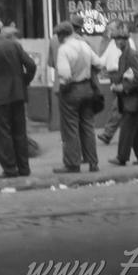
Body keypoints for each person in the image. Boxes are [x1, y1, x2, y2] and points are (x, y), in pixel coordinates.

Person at [0, 17, 37, 180]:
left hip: (0, 97)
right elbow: (31, 66)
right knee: (20, 131)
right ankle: (24, 167)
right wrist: (24, 81)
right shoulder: (14, 44)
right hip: (18, 95)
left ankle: (10, 168)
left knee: (3, 133)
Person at [52, 20, 101, 174]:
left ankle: (72, 164)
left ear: (61, 35)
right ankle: (93, 162)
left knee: (70, 128)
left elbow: (65, 74)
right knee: (88, 126)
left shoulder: (64, 49)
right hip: (87, 89)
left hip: (72, 90)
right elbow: (98, 63)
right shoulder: (84, 45)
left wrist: (64, 87)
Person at [107, 24, 138, 167]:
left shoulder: (132, 54)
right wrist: (117, 83)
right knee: (137, 132)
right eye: (115, 39)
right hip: (130, 99)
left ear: (125, 40)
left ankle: (122, 157)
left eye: (119, 39)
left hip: (134, 99)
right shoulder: (124, 54)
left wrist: (123, 87)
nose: (116, 42)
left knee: (127, 129)